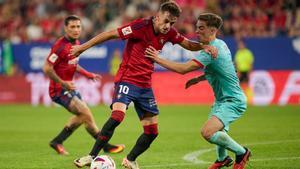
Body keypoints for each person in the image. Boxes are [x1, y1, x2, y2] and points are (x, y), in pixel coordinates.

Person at [71, 1, 217, 168]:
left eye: (172, 23)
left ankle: (130, 159)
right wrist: (82, 47)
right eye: (166, 21)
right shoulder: (140, 26)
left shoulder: (169, 33)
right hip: (127, 78)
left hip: (145, 85)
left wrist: (204, 46)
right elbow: (110, 34)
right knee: (118, 116)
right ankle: (91, 156)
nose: (168, 26)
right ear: (157, 17)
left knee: (152, 132)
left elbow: (188, 44)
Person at [145, 13, 251, 169]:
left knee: (208, 132)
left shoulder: (211, 52)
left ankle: (242, 153)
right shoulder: (220, 45)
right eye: (197, 28)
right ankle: (222, 159)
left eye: (201, 28)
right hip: (222, 100)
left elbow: (183, 69)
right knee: (219, 130)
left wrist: (157, 58)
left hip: (233, 101)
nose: (197, 32)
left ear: (213, 30)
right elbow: (222, 70)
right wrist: (198, 79)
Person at [43, 15, 124, 156]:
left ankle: (57, 141)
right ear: (65, 28)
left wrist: (88, 74)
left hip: (69, 88)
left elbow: (72, 64)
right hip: (59, 90)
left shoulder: (76, 43)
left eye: (78, 26)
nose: (76, 30)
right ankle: (106, 146)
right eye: (72, 27)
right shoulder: (59, 46)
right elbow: (47, 68)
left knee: (86, 118)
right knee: (86, 114)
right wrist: (63, 83)